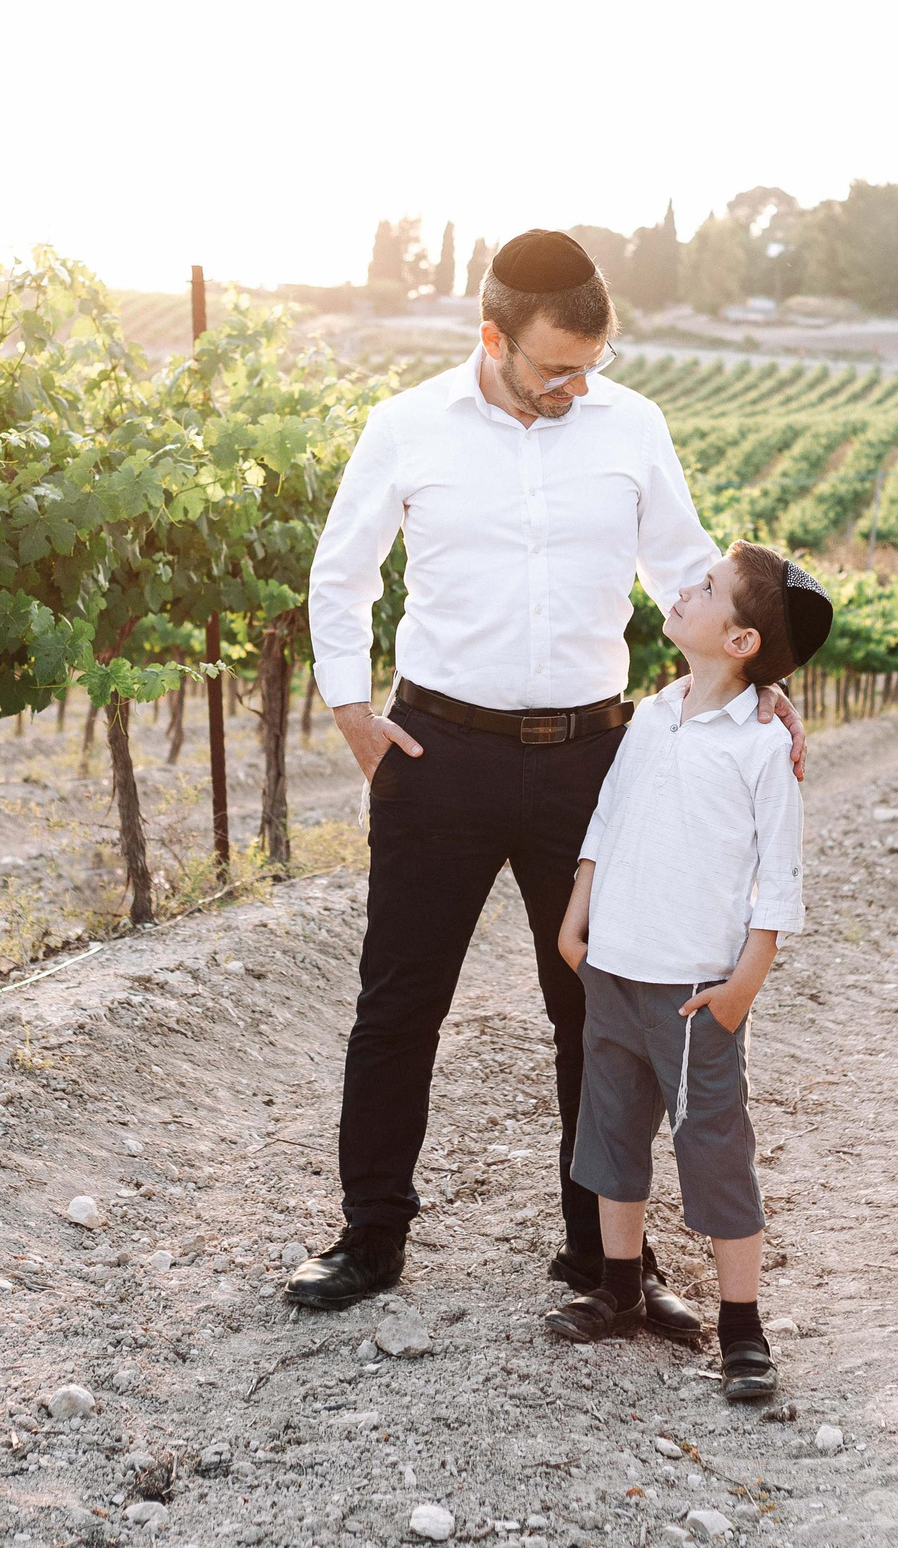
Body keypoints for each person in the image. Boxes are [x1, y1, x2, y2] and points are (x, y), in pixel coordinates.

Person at [288, 231, 805, 1322]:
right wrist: (350, 710)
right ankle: (369, 1237)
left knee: (601, 1014)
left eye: (592, 364)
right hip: (439, 753)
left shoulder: (632, 426)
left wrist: (758, 684)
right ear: (493, 339)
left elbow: (686, 569)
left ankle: (602, 1258)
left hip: (589, 759)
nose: (577, 387)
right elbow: (339, 577)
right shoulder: (406, 426)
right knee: (400, 1004)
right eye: (554, 367)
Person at [547, 542, 828, 1401]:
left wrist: (747, 979)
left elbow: (778, 877)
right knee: (613, 1132)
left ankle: (743, 1322)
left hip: (697, 988)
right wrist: (577, 907)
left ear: (740, 641)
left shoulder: (758, 747)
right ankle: (621, 1285)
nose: (683, 588)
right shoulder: (653, 713)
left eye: (705, 588)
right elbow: (609, 813)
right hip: (615, 968)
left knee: (711, 1146)